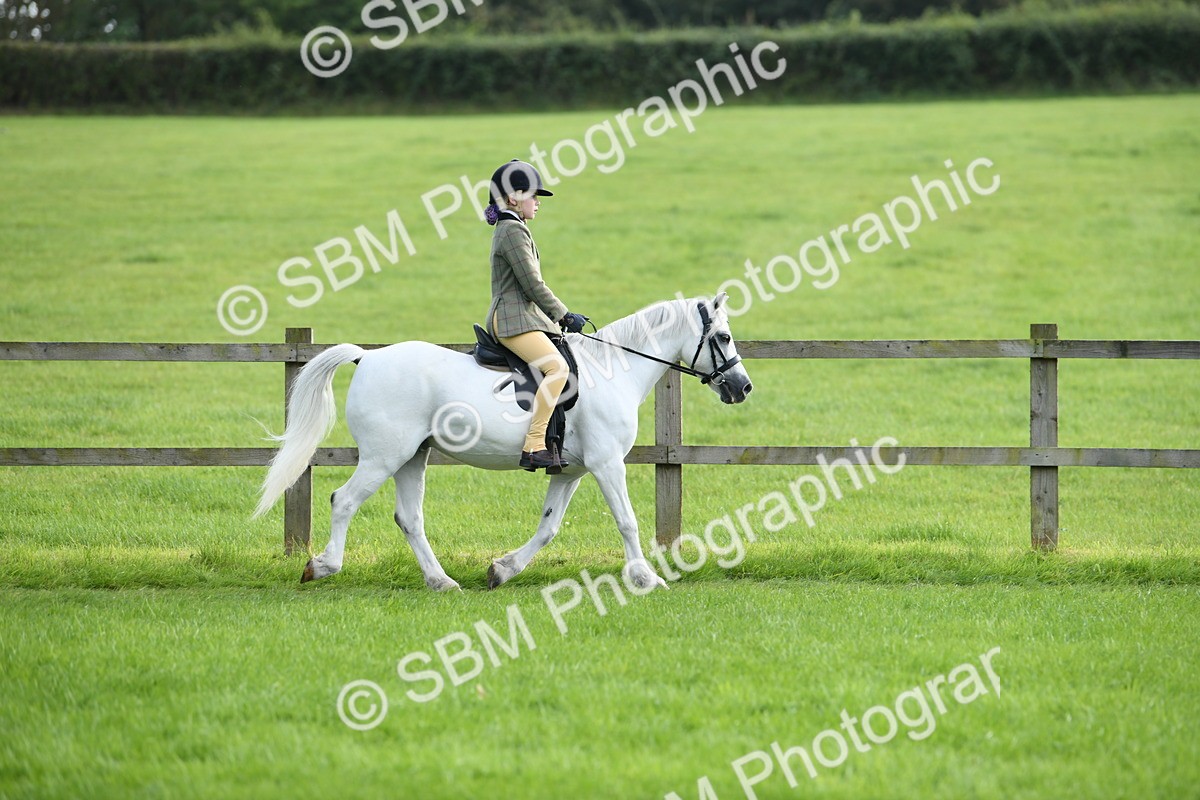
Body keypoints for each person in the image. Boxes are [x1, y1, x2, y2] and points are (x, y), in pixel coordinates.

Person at [483, 159, 588, 473]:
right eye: (533, 195)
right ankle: (534, 444)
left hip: (522, 318)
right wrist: (564, 314)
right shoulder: (512, 230)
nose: (537, 202)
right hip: (513, 320)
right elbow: (532, 283)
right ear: (513, 198)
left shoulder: (514, 227)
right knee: (557, 369)